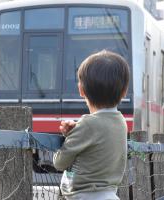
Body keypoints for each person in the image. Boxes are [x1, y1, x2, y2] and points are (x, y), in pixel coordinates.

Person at [53, 50, 130, 200]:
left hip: (83, 196)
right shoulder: (121, 122)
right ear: (124, 92)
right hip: (110, 194)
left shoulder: (87, 124)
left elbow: (59, 163)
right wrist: (76, 131)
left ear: (81, 90)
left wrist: (70, 136)